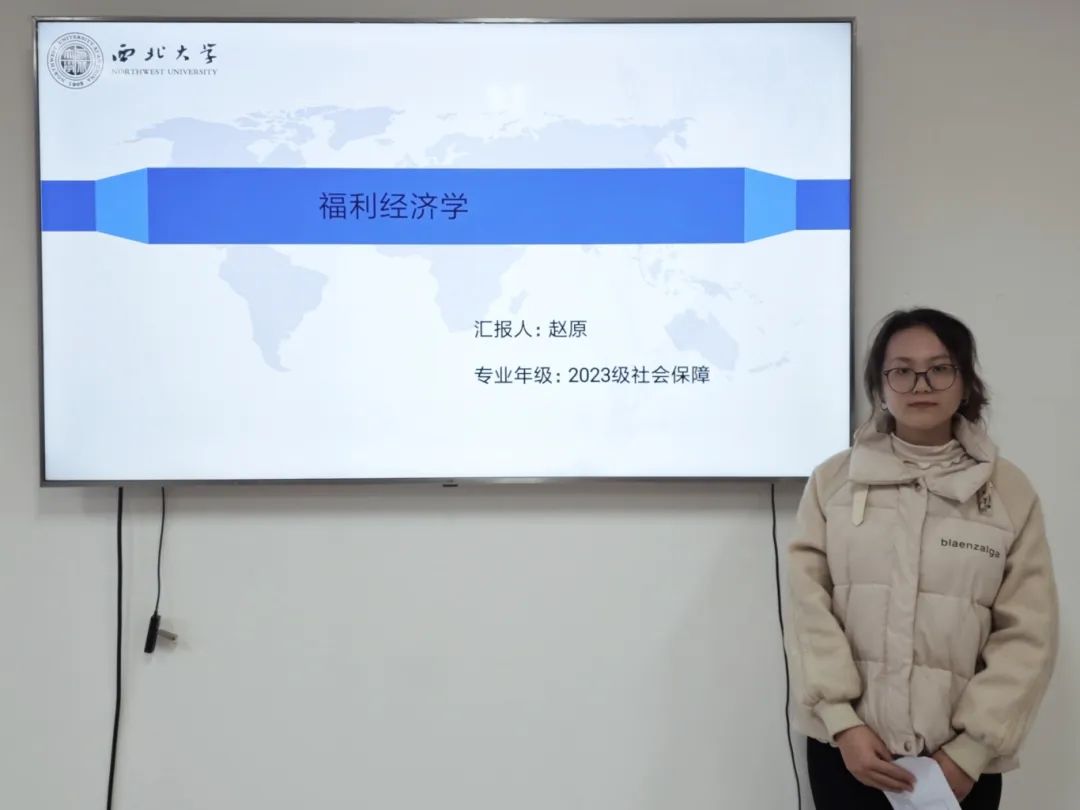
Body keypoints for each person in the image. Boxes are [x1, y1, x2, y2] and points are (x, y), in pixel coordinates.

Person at [786, 308, 1058, 809]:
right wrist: (842, 723)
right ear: (880, 385)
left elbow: (1028, 633)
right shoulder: (833, 483)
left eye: (939, 368)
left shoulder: (1008, 491)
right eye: (902, 370)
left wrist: (970, 751)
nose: (920, 384)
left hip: (959, 767)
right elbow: (807, 611)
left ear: (965, 382)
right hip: (848, 754)